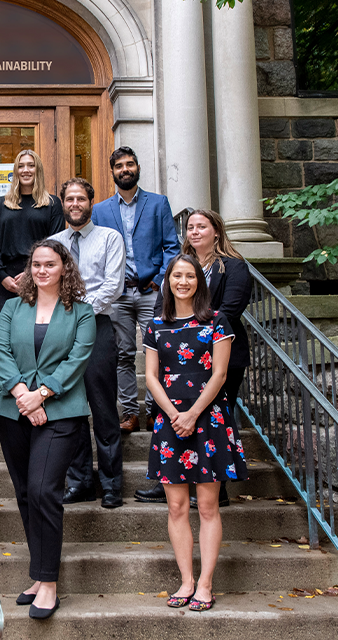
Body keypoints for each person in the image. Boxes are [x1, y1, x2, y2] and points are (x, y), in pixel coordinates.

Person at [0, 239, 95, 620]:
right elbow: (1, 353)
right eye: (35, 264)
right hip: (12, 409)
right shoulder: (12, 309)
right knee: (24, 492)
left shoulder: (81, 313)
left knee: (43, 490)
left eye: (49, 264)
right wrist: (23, 394)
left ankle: (49, 581)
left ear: (64, 268)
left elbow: (77, 359)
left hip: (62, 412)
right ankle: (36, 573)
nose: (41, 270)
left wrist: (42, 396)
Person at [144, 253, 248, 613]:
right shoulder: (155, 325)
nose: (183, 281)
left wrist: (192, 414)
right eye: (177, 276)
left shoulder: (216, 321)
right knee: (175, 506)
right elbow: (151, 377)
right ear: (168, 282)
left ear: (199, 282)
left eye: (190, 276)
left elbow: (220, 374)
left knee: (206, 506)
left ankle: (205, 584)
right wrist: (175, 414)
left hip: (208, 420)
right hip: (170, 421)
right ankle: (186, 580)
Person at [136, 209, 254, 507]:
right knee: (177, 420)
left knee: (211, 421)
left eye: (202, 226)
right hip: (177, 358)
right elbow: (164, 308)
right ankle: (175, 480)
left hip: (218, 355)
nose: (195, 232)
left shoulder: (233, 267)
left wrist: (195, 335)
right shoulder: (179, 266)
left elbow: (230, 310)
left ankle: (217, 486)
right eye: (190, 227)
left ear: (217, 230)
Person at [47, 178, 126, 509]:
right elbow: (46, 282)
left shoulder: (110, 238)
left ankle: (110, 484)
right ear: (63, 204)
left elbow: (113, 286)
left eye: (81, 198)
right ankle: (79, 481)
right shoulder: (52, 243)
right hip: (61, 333)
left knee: (103, 407)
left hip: (96, 328)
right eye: (69, 199)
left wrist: (78, 311)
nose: (75, 204)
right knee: (69, 408)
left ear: (91, 202)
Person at [91, 146, 180, 433]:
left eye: (130, 164)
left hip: (151, 292)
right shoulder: (100, 210)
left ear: (138, 168)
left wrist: (162, 278)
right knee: (123, 354)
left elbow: (171, 247)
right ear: (113, 171)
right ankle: (130, 413)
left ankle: (156, 411)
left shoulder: (158, 204)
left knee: (159, 351)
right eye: (119, 166)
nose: (125, 169)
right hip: (117, 294)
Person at [0, 149, 65, 317]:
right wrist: (1, 276)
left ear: (38, 170)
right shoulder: (1, 205)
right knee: (9, 331)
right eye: (21, 166)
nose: (26, 170)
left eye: (31, 165)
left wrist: (32, 272)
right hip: (7, 281)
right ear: (16, 171)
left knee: (40, 330)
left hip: (42, 276)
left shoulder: (53, 204)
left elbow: (56, 244)